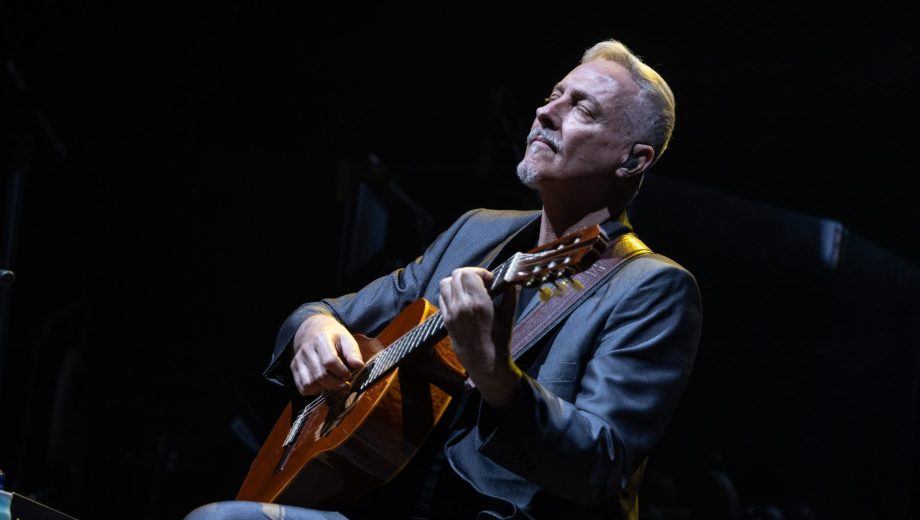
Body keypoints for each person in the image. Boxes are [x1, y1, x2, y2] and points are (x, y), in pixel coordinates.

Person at [185, 38, 701, 520]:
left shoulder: (651, 288)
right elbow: (330, 311)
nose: (546, 113)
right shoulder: (475, 232)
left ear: (633, 159)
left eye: (581, 109)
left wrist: (497, 375)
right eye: (553, 96)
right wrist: (314, 331)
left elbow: (600, 467)